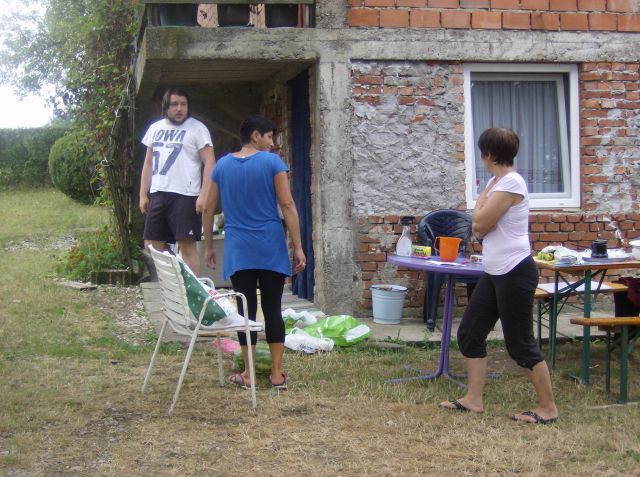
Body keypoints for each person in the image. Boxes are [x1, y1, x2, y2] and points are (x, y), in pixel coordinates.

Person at [440, 128, 559, 425]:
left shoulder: (511, 183)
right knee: (470, 333)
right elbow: (479, 225)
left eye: (482, 151)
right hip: (494, 272)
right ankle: (473, 399)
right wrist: (481, 219)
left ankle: (548, 408)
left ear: (489, 154)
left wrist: (480, 217)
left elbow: (478, 222)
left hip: (515, 271)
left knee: (520, 344)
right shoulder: (496, 182)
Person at [202, 114, 305, 390]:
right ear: (255, 136)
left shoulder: (222, 166)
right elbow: (287, 204)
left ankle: (248, 374)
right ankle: (276, 375)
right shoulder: (273, 163)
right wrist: (298, 246)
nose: (272, 143)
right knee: (273, 309)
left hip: (239, 250)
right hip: (270, 246)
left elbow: (208, 208)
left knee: (244, 311)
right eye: (269, 137)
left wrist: (210, 246)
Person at [139, 88, 215, 276]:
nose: (179, 109)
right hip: (158, 193)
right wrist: (143, 194)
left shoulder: (197, 128)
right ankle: (174, 283)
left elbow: (210, 161)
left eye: (183, 104)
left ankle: (193, 299)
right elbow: (148, 163)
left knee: (187, 246)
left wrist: (204, 195)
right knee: (151, 245)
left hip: (186, 195)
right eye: (174, 104)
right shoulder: (155, 128)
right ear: (166, 107)